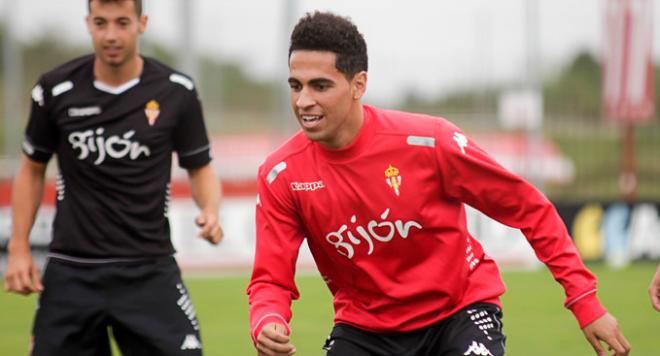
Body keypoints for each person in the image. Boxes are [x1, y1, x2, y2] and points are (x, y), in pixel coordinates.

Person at [247, 11, 630, 356]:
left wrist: (585, 301)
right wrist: (267, 320)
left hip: (460, 312)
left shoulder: (430, 143)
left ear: (358, 84)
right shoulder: (282, 174)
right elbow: (270, 278)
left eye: (320, 86)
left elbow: (528, 208)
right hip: (364, 329)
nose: (303, 101)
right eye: (296, 86)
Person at [3, 1, 223, 355]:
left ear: (142, 23)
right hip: (72, 269)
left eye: (122, 23)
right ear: (88, 23)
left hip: (148, 267)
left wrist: (210, 210)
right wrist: (18, 248)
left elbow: (200, 167)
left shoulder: (175, 90)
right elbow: (31, 168)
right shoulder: (54, 89)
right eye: (101, 23)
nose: (110, 35)